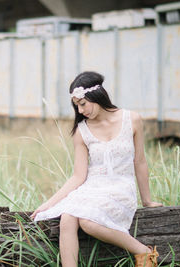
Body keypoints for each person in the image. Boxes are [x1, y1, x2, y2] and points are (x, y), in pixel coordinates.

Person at [30, 71, 163, 267]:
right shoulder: (81, 131)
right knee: (67, 219)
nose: (81, 110)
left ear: (97, 95)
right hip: (92, 188)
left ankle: (143, 252)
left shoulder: (132, 119)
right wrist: (48, 204)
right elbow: (78, 176)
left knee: (88, 222)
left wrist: (147, 201)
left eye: (83, 104)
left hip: (120, 187)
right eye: (77, 106)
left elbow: (140, 162)